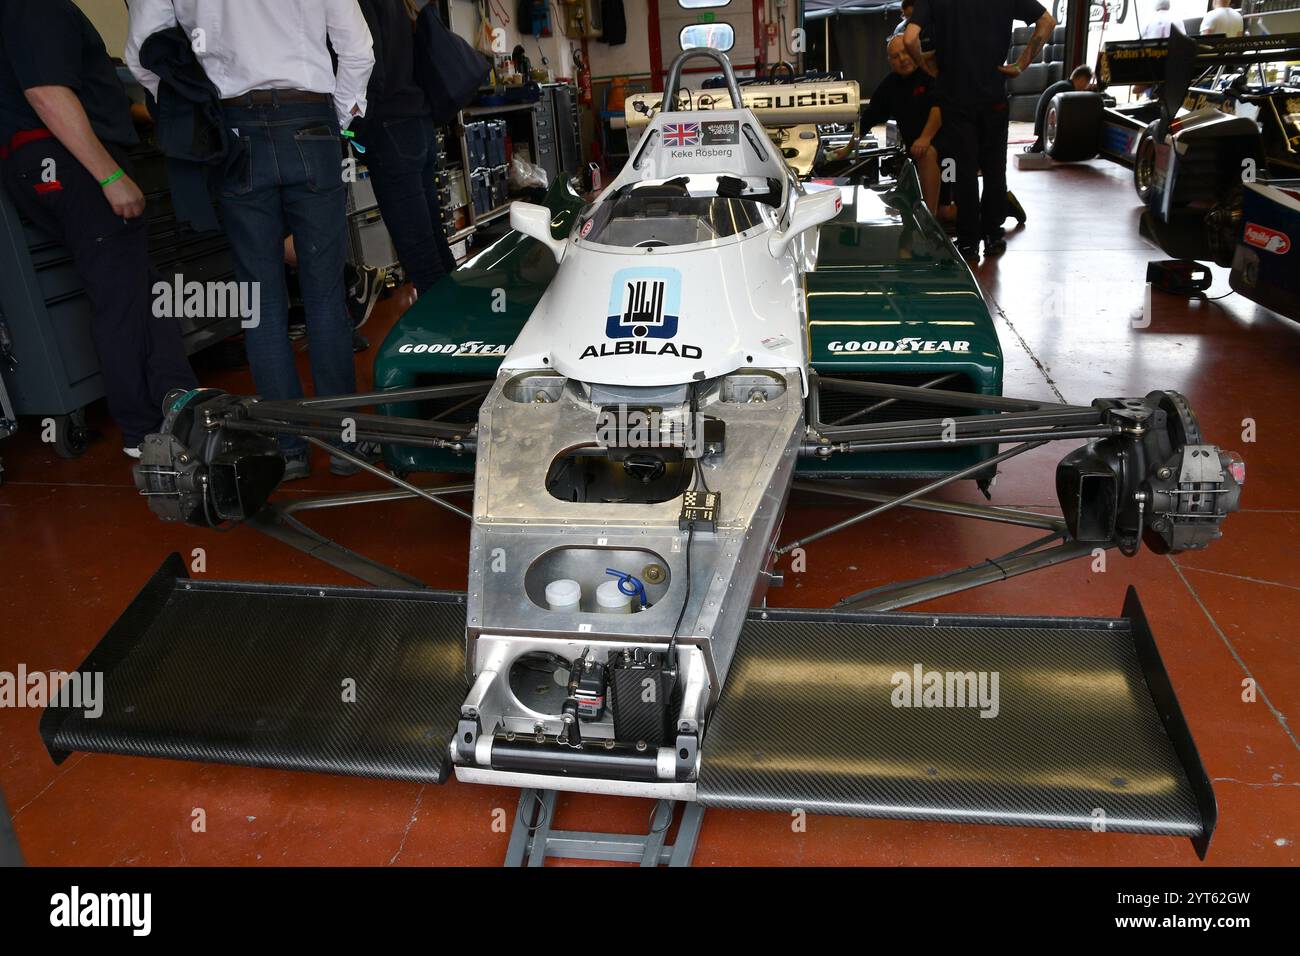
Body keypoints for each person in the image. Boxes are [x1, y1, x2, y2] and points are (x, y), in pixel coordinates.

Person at [126, 0, 376, 481]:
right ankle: (345, 445)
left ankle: (286, 450)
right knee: (324, 293)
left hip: (233, 129)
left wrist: (194, 109)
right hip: (311, 121)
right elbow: (358, 50)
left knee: (260, 304)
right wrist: (340, 115)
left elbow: (143, 53)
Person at [0, 0, 196, 459]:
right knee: (120, 298)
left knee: (141, 286)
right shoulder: (34, 8)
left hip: (46, 162)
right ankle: (142, 430)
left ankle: (178, 396)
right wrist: (109, 176)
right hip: (68, 164)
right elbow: (47, 94)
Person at [905, 0, 1056, 262]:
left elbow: (909, 39)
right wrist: (1021, 64)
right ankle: (993, 237)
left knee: (964, 171)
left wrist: (927, 66)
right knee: (994, 168)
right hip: (993, 95)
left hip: (955, 96)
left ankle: (967, 243)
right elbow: (1047, 21)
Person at [356, 0, 457, 298]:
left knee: (421, 258)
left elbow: (367, 64)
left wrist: (356, 128)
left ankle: (449, 335)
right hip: (417, 122)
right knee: (434, 246)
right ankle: (465, 328)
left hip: (390, 126)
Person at [861, 35, 944, 213]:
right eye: (896, 56)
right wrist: (848, 147)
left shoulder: (930, 73)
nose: (903, 59)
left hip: (947, 149)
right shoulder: (890, 85)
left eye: (905, 52)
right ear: (890, 61)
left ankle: (928, 224)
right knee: (945, 211)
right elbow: (869, 117)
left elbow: (939, 109)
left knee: (944, 210)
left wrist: (924, 138)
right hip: (917, 150)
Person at [1030, 65, 1093, 151]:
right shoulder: (1067, 89)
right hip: (1047, 126)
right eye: (1086, 84)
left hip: (1043, 125)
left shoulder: (1064, 85)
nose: (1085, 88)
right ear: (1082, 80)